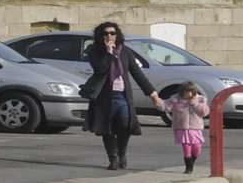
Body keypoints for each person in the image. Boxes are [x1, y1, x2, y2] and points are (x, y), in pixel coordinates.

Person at [81, 21, 158, 170]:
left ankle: (122, 153)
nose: (109, 36)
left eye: (112, 33)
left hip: (122, 96)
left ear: (117, 35)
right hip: (104, 97)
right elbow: (100, 69)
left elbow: (137, 74)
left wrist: (152, 94)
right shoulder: (95, 51)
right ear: (100, 36)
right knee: (107, 128)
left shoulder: (125, 52)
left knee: (125, 124)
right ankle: (113, 159)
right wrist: (109, 53)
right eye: (105, 33)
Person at [162, 83, 211, 173]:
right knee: (186, 147)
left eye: (191, 91)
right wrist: (156, 100)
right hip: (182, 128)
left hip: (195, 128)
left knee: (197, 148)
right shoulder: (175, 99)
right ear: (182, 92)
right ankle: (188, 168)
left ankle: (192, 161)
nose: (189, 94)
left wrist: (194, 104)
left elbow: (204, 112)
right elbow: (165, 106)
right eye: (186, 92)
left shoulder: (200, 99)